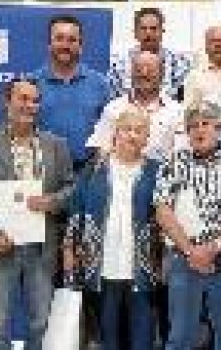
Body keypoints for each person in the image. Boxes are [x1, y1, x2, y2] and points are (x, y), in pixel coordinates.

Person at [0, 78, 75, 350]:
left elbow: (72, 187)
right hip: (0, 248)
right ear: (7, 101)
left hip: (41, 248)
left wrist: (53, 201)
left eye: (35, 100)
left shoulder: (56, 145)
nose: (30, 105)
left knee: (40, 323)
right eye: (23, 98)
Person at [154, 101, 221, 350]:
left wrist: (215, 247)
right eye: (192, 126)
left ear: (219, 127)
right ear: (186, 132)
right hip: (182, 257)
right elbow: (162, 210)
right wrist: (191, 251)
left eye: (205, 124)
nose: (199, 130)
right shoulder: (172, 164)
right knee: (180, 334)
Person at [63, 109, 162, 350]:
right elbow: (76, 210)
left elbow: (164, 218)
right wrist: (69, 250)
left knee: (143, 335)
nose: (132, 136)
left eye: (139, 131)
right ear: (115, 134)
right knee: (107, 336)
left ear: (147, 138)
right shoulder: (94, 169)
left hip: (142, 265)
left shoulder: (157, 171)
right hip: (101, 264)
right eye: (126, 129)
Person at [32, 13, 113, 168]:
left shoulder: (100, 84)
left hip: (88, 173)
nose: (65, 45)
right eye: (59, 38)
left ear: (80, 46)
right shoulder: (31, 83)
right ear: (49, 44)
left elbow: (109, 130)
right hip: (43, 173)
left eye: (72, 40)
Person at [90, 50, 184, 161]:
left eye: (151, 70)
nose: (144, 74)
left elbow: (181, 153)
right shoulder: (114, 108)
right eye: (139, 69)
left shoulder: (177, 112)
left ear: (162, 74)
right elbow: (100, 148)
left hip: (163, 176)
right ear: (131, 74)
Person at [108, 7, 192, 101]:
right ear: (135, 33)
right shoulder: (119, 66)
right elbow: (113, 101)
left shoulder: (181, 65)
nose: (148, 33)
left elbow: (185, 101)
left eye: (153, 29)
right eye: (143, 28)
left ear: (162, 32)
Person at [184, 25, 221, 110]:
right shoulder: (195, 77)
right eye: (212, 41)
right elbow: (189, 111)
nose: (217, 45)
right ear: (206, 46)